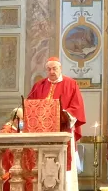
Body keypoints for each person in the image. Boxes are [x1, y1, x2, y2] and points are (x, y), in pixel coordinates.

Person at [27, 57, 86, 191]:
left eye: (54, 68)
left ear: (60, 68)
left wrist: (64, 114)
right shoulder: (39, 85)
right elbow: (30, 104)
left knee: (64, 165)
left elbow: (77, 107)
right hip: (42, 132)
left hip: (62, 130)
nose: (52, 72)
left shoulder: (71, 84)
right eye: (49, 69)